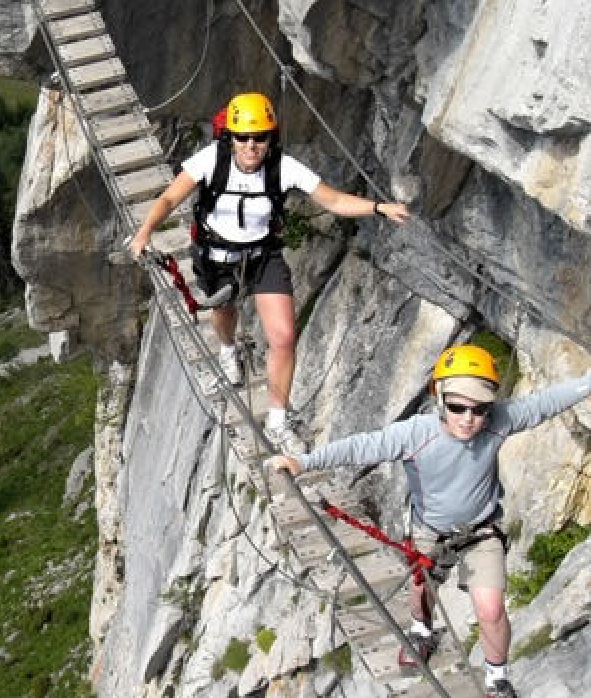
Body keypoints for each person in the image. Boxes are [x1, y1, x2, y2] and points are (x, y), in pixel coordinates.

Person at [268, 344, 591, 698]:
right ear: (439, 399)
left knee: (491, 610)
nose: (468, 419)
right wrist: (304, 463)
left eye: (479, 409)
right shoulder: (417, 434)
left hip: (481, 533)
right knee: (420, 591)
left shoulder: (499, 421)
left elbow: (548, 402)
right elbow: (361, 446)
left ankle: (497, 679)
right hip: (430, 532)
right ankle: (421, 630)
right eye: (458, 407)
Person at [128, 92, 409, 453]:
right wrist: (144, 231)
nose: (251, 146)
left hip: (263, 257)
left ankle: (277, 421)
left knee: (283, 337)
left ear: (270, 138)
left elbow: (334, 200)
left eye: (259, 137)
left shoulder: (284, 167)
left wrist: (379, 208)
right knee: (223, 312)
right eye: (242, 137)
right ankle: (228, 352)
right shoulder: (212, 159)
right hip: (217, 256)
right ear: (229, 137)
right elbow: (169, 198)